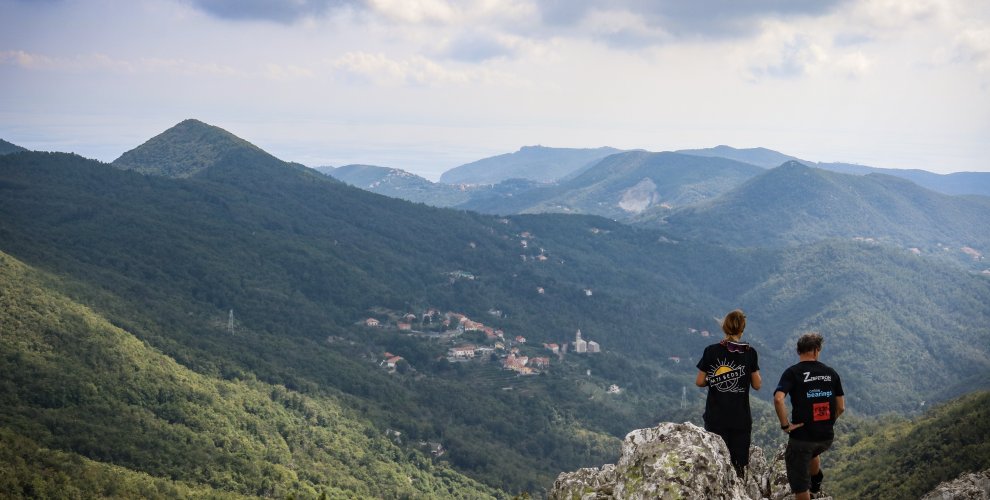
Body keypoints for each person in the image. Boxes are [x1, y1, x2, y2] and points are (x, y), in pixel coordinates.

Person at [774, 333, 845, 500]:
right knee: (813, 451)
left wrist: (786, 426)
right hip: (826, 438)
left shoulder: (792, 373)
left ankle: (811, 486)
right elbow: (841, 407)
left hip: (802, 439)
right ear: (816, 351)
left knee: (800, 485)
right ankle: (816, 479)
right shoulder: (831, 373)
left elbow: (778, 399)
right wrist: (827, 423)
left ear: (799, 351)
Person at [695, 309, 762, 478]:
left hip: (716, 417)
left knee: (717, 464)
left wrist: (716, 379)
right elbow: (757, 385)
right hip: (740, 418)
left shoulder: (711, 351)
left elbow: (700, 381)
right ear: (742, 329)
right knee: (738, 467)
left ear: (724, 327)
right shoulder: (749, 353)